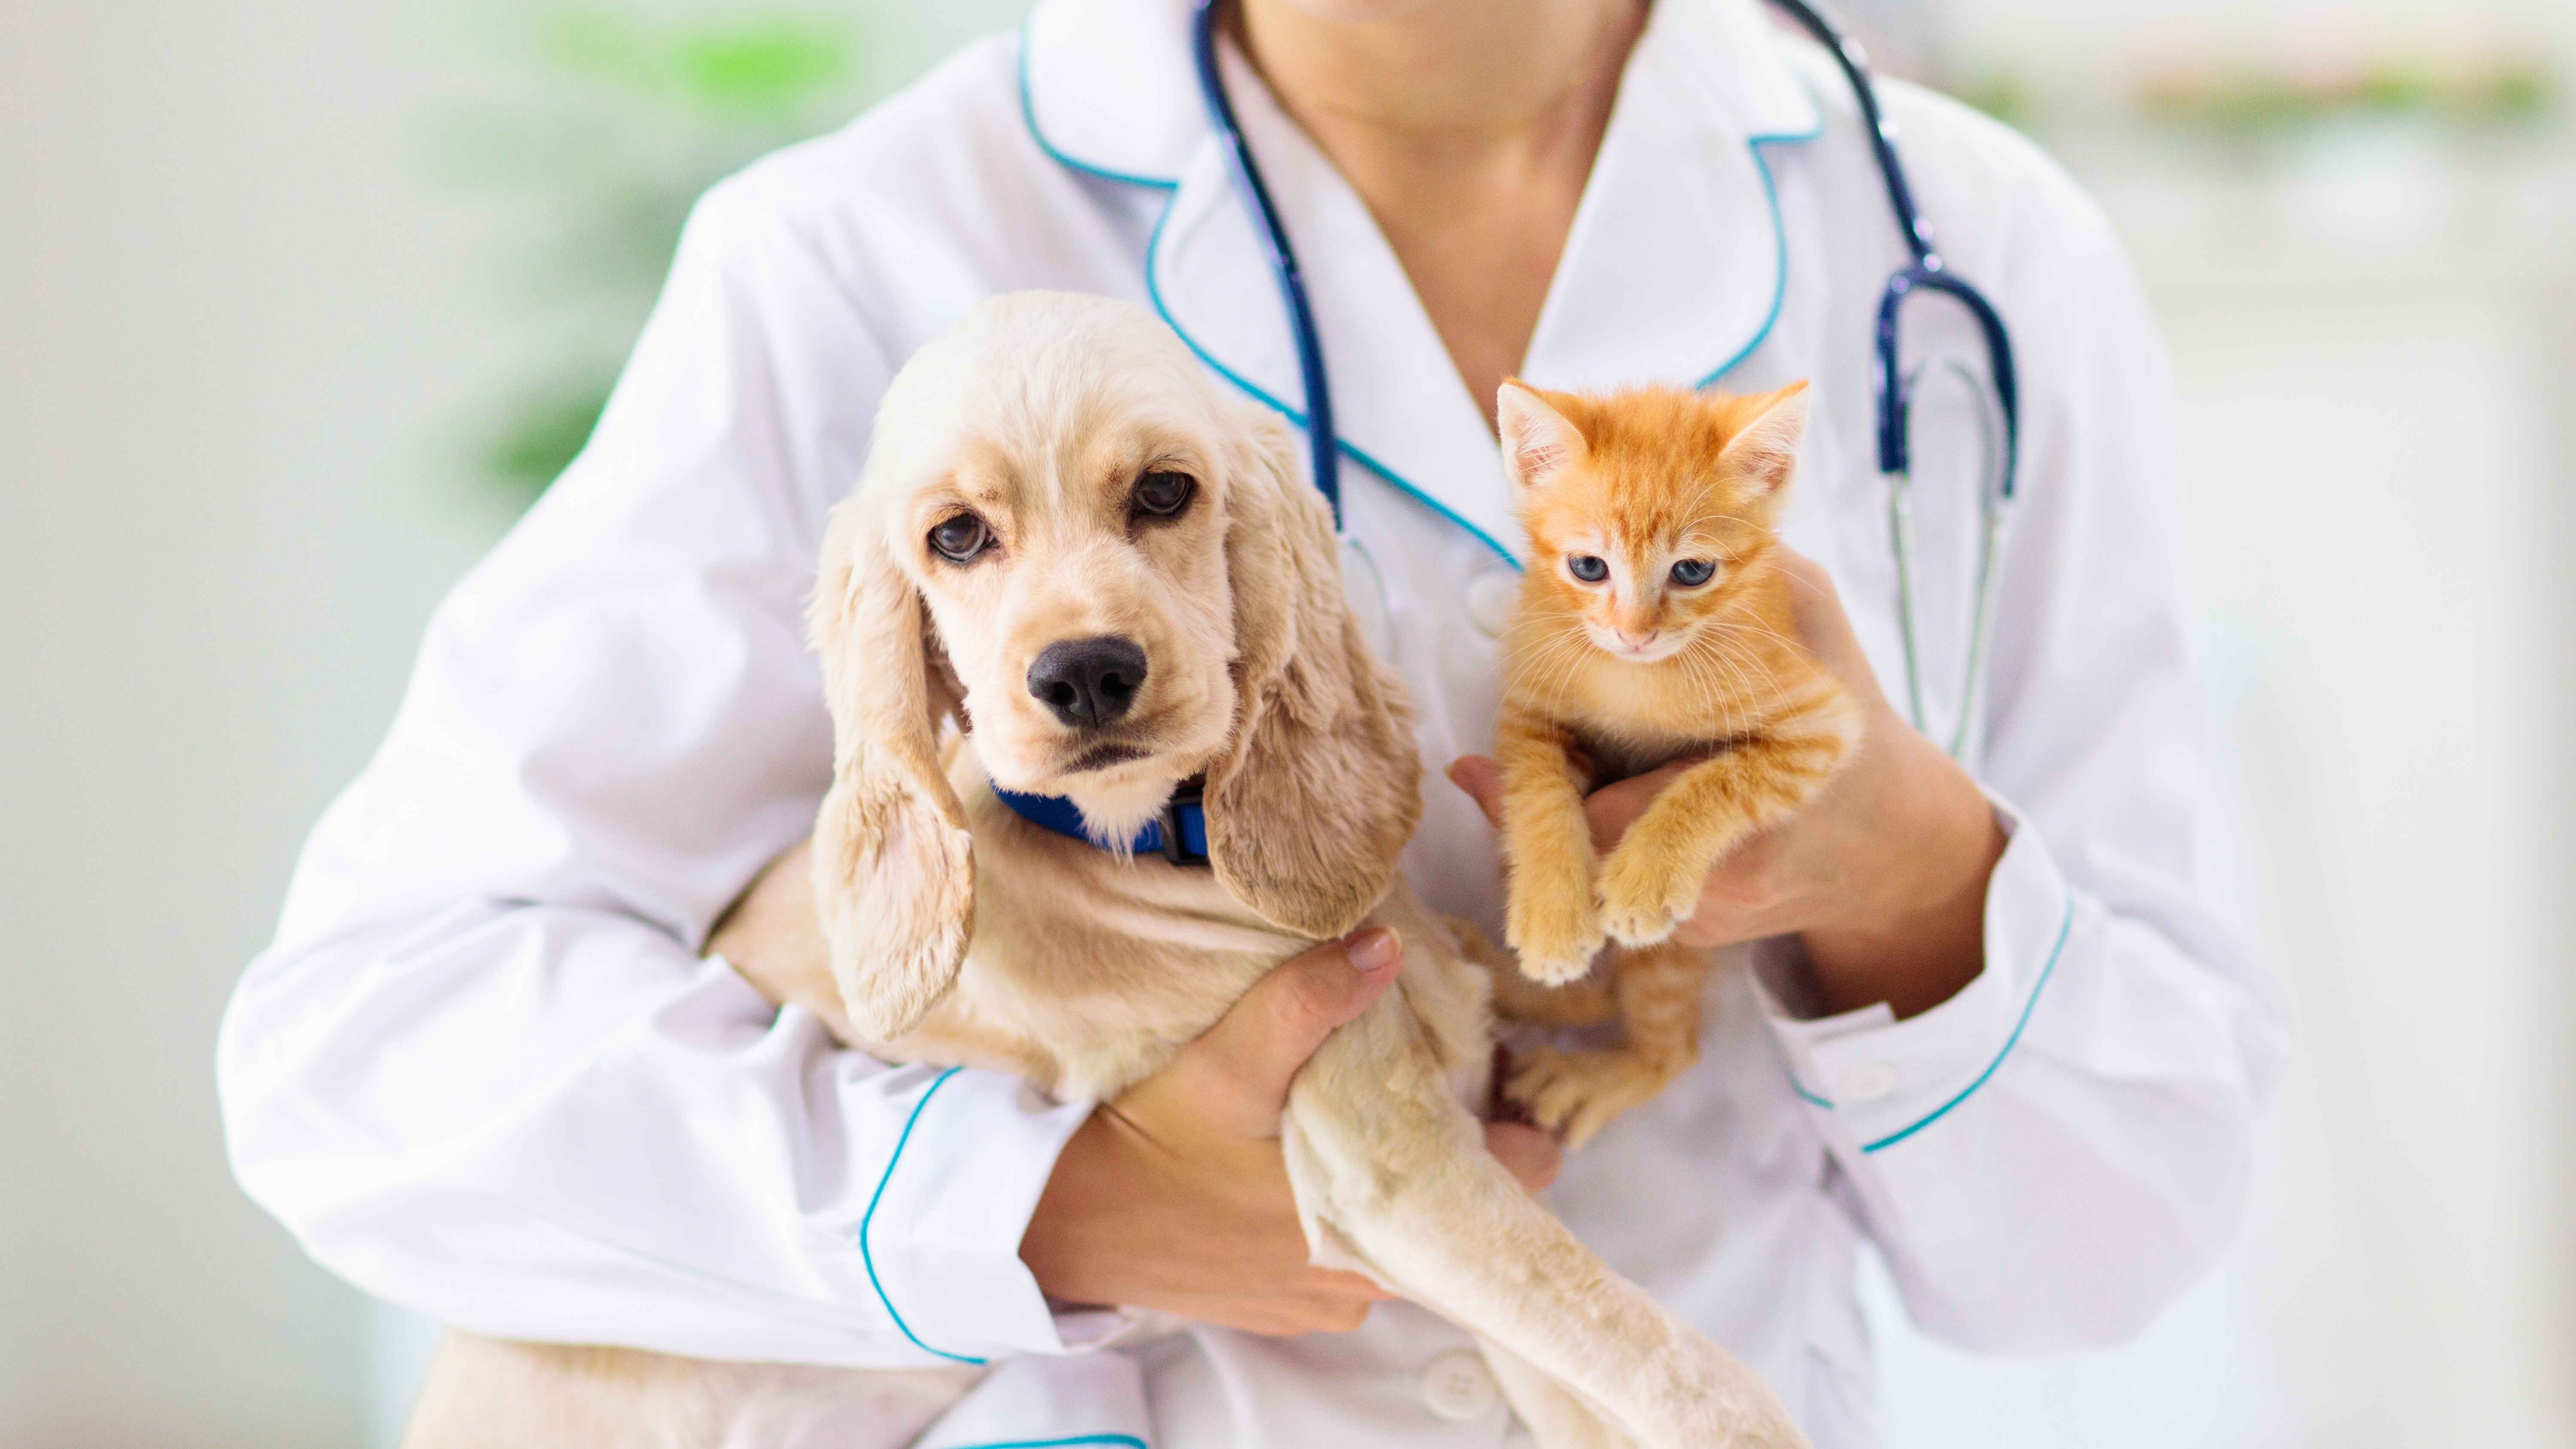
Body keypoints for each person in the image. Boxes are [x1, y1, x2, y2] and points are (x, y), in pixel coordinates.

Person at [216, 0, 2289, 1443]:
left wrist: (1913, 868)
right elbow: (366, 1056)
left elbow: (2110, 1247)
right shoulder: (850, 262)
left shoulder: (1973, 254)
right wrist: (1034, 1204)